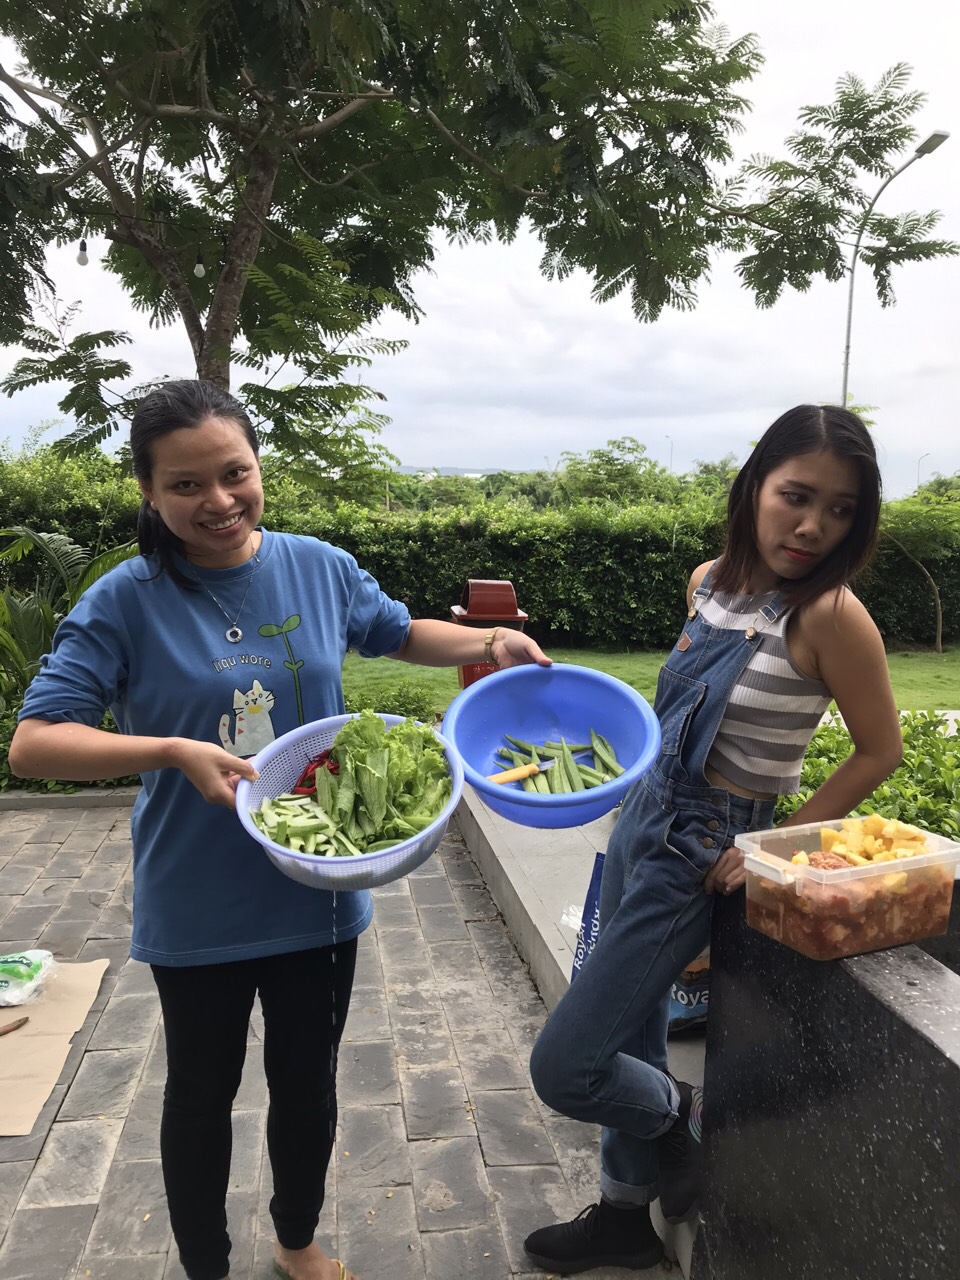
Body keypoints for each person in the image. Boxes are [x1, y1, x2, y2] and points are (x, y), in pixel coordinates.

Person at [9, 378, 550, 1280]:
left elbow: (396, 634)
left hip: (318, 890)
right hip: (198, 899)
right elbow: (34, 743)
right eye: (186, 484)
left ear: (259, 467)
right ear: (148, 490)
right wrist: (171, 750)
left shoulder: (317, 567)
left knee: (308, 1087)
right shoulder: (124, 599)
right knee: (200, 1098)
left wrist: (488, 644)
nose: (218, 500)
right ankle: (207, 1268)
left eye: (235, 473)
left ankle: (297, 1242)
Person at [522, 404, 903, 1275]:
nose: (812, 526)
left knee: (570, 1064)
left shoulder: (831, 615)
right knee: (632, 1029)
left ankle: (685, 1114)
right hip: (644, 817)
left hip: (706, 849)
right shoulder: (708, 582)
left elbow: (880, 749)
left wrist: (772, 850)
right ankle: (624, 1218)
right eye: (796, 496)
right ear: (755, 486)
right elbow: (686, 710)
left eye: (840, 509)